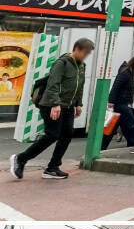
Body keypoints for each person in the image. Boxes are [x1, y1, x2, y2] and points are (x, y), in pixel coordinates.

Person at [10, 37, 94, 180]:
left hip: (67, 106)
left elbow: (80, 86)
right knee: (52, 134)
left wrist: (78, 104)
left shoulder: (81, 66)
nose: (86, 56)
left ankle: (52, 167)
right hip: (51, 104)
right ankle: (20, 158)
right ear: (77, 49)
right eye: (85, 52)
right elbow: (53, 85)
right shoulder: (61, 63)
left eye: (88, 53)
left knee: (67, 135)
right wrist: (55, 104)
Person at [101, 56, 134, 150]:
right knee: (131, 126)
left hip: (122, 103)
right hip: (120, 103)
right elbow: (116, 86)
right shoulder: (125, 73)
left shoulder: (129, 73)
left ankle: (101, 147)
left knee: (112, 127)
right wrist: (111, 101)